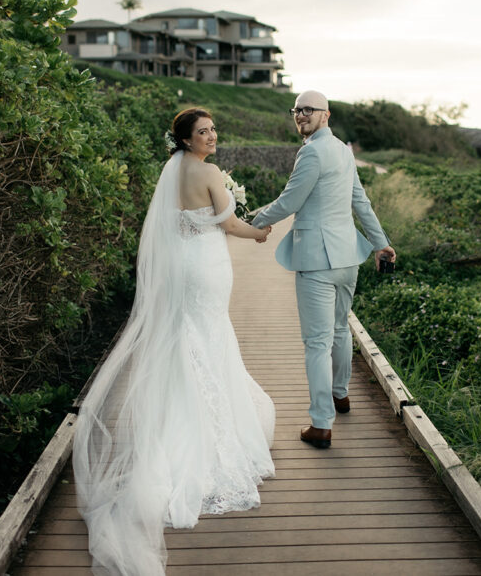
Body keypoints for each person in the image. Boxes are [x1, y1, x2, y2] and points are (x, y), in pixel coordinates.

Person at [73, 108, 276, 575]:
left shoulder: (174, 170)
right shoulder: (205, 171)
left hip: (185, 267)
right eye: (202, 132)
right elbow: (229, 225)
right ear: (185, 139)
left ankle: (177, 425)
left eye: (212, 129)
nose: (211, 136)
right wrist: (261, 233)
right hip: (205, 268)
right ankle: (207, 441)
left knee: (192, 339)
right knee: (208, 337)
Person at [252, 90, 395, 449]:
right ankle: (340, 395)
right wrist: (380, 243)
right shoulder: (344, 152)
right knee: (339, 330)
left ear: (326, 115)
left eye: (308, 110)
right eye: (297, 110)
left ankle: (320, 424)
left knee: (317, 342)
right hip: (348, 259)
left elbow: (290, 201)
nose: (301, 115)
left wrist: (255, 220)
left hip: (317, 260)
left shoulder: (312, 152)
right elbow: (360, 201)